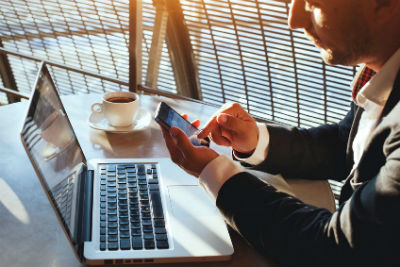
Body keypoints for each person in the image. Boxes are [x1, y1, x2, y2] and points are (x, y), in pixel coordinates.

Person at [160, 0, 400, 264]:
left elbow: (335, 248)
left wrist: (216, 175)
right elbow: (346, 145)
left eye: (313, 3)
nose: (293, 20)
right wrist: (256, 141)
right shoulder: (382, 74)